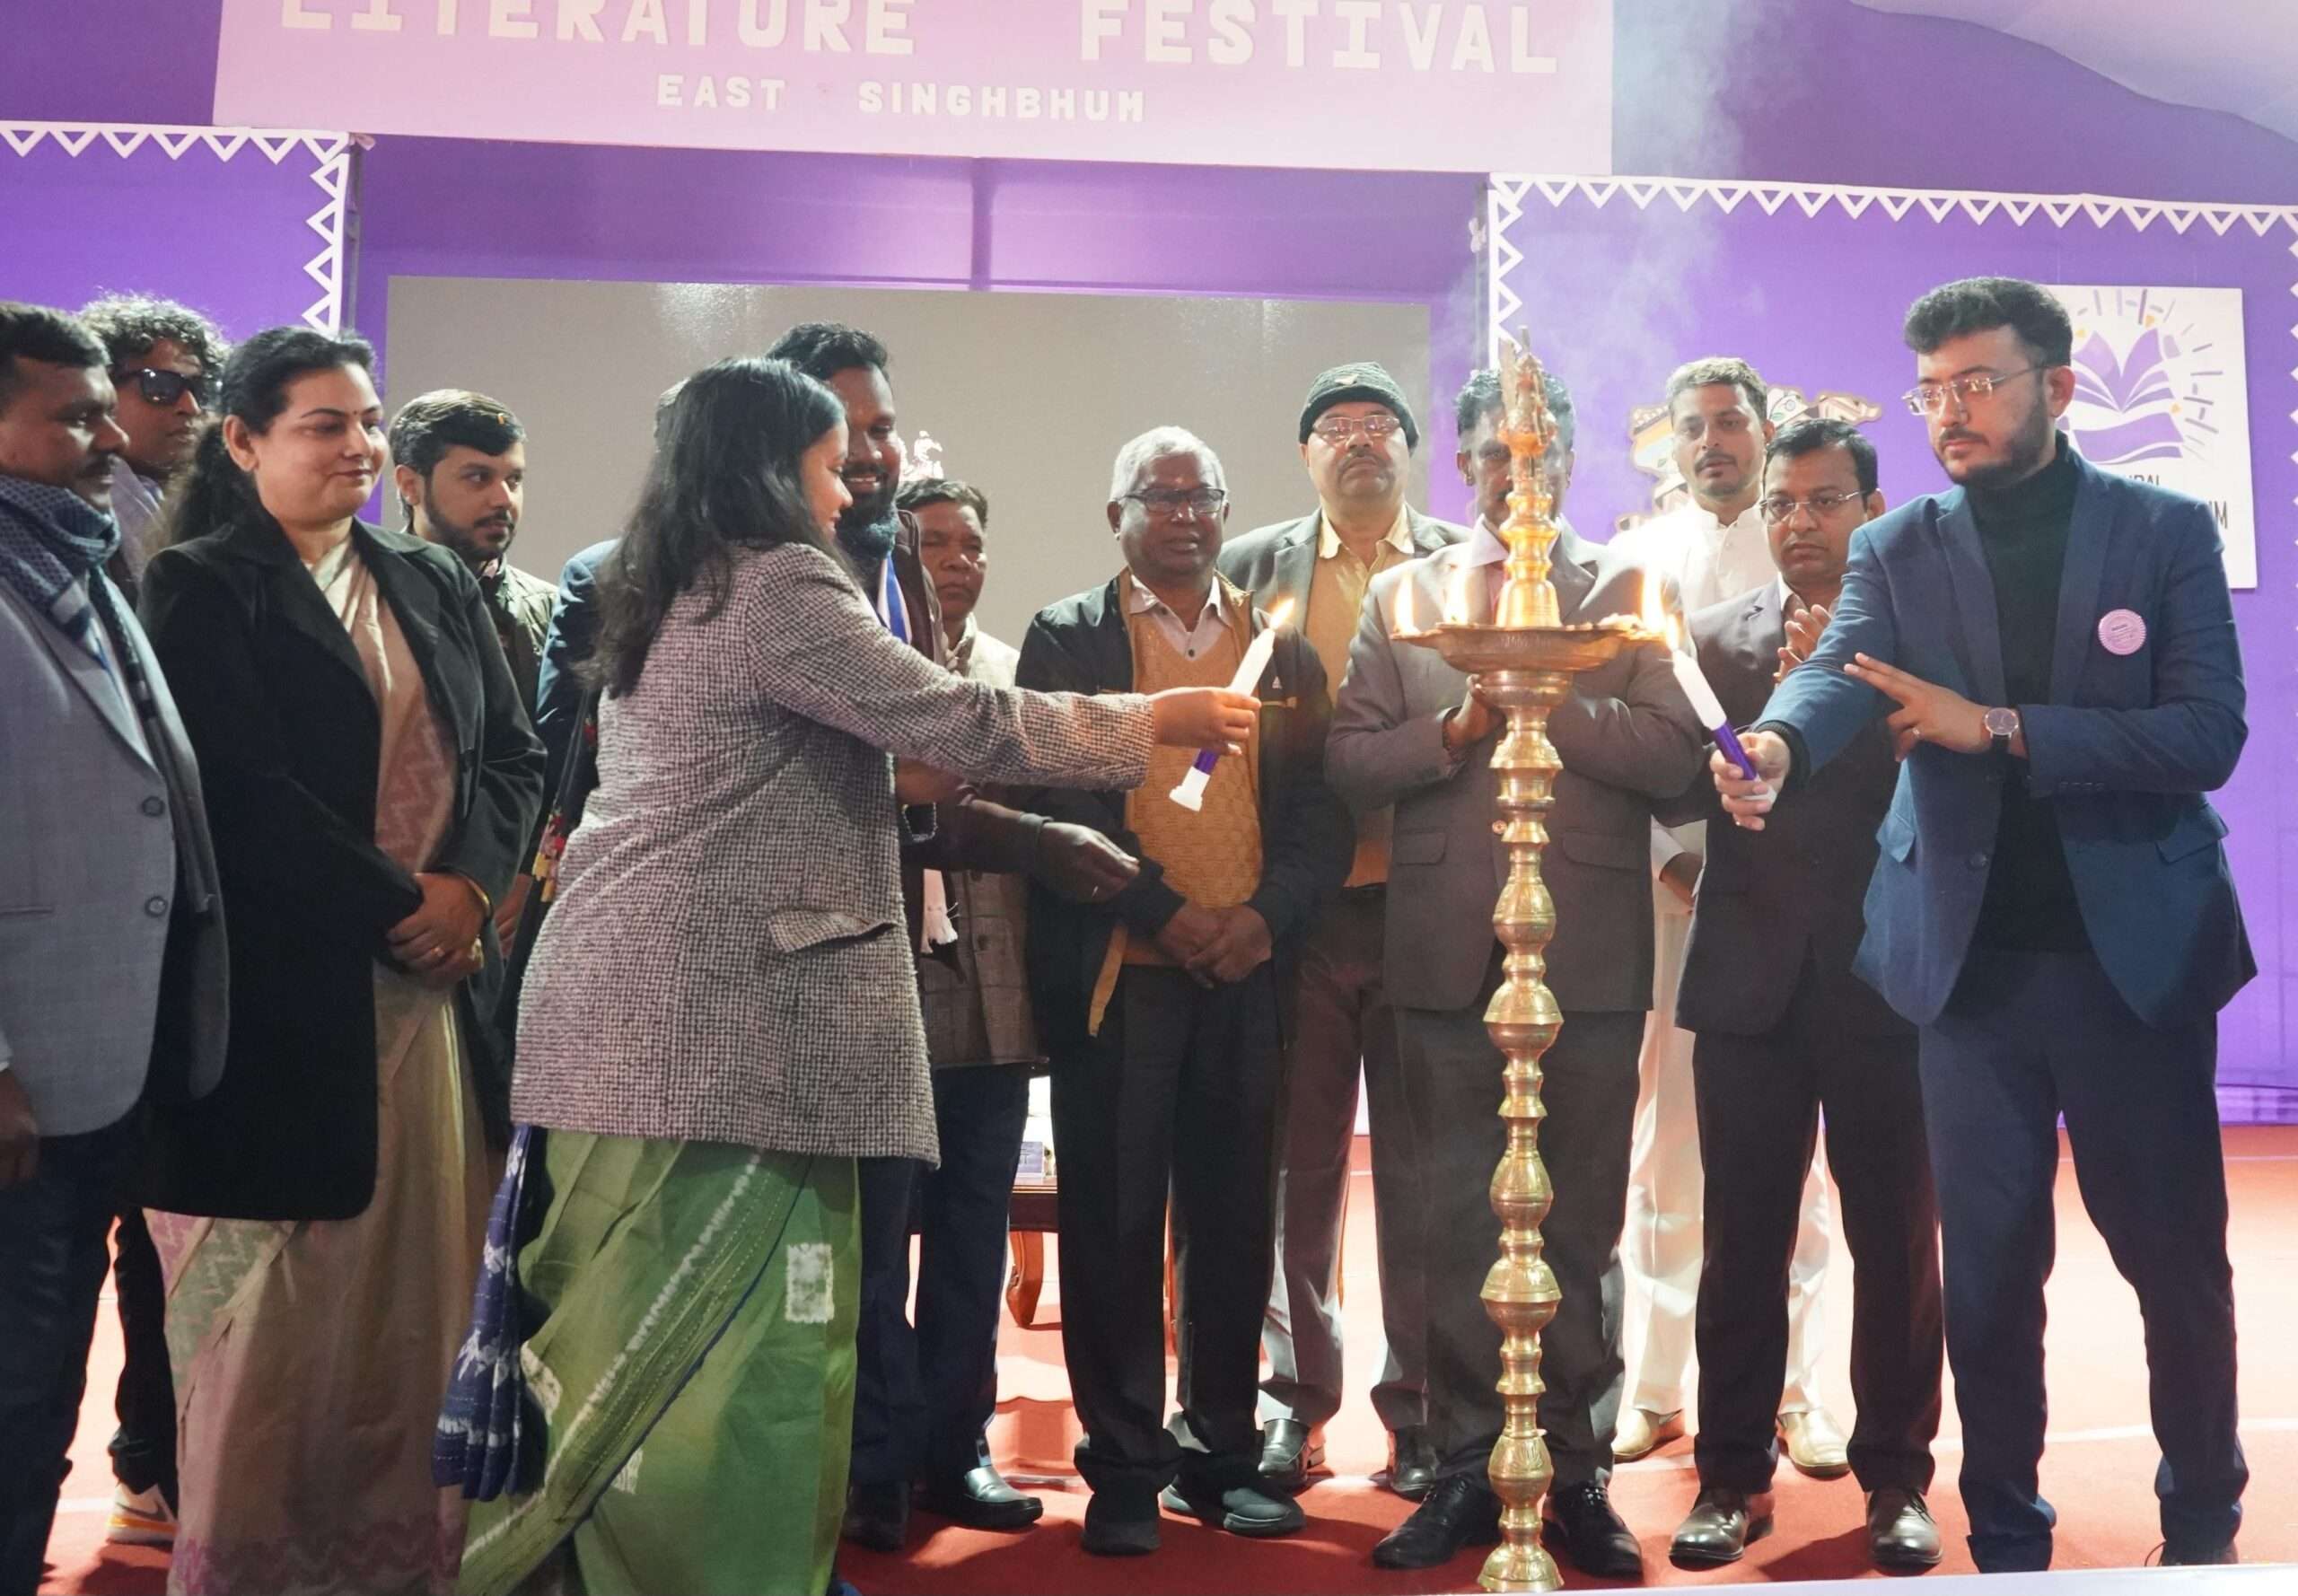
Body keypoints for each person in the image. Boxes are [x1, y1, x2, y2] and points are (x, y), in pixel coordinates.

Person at [454, 359, 1251, 1596]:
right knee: (707, 1349)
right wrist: (1154, 722)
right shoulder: (776, 578)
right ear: (771, 467)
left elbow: (780, 768)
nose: (845, 489)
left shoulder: (680, 575)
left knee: (648, 1327)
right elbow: (965, 720)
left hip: (645, 1011)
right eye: (832, 463)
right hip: (708, 1027)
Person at [1716, 276, 2251, 1572]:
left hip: (2131, 967)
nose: (1949, 411)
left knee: (2173, 1263)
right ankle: (2006, 1532)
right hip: (1965, 975)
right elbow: (1841, 667)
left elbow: (2207, 733)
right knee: (1992, 1275)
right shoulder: (1902, 545)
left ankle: (2201, 1525)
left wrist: (2001, 727)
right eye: (1931, 391)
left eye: (1976, 383)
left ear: (2055, 387)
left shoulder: (2164, 530)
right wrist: (1778, 747)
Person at [136, 325, 545, 1595]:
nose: (358, 446)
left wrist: (468, 885)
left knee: (426, 1299)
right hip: (287, 1004)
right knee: (282, 1321)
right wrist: (400, 905)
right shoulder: (203, 584)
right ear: (243, 439)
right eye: (324, 424)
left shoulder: (428, 577)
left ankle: (426, 1559)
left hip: (440, 1004)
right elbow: (239, 790)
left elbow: (514, 754)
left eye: (368, 422)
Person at [759, 324, 1141, 1552]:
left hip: (988, 988)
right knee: (875, 1239)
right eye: (932, 545)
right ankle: (873, 1458)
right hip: (874, 979)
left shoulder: (998, 662)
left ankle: (956, 1442)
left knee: (974, 1226)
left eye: (969, 544)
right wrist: (1155, 731)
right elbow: (925, 771)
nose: (953, 562)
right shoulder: (819, 619)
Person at [1329, 368, 1705, 1577]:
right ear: (1466, 463)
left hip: (1586, 947)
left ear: (1571, 461)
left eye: (1536, 453)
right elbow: (1349, 760)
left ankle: (1578, 1470)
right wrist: (1455, 729)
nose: (1514, 472)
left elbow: (1677, 756)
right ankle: (1456, 1464)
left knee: (1580, 1215)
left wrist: (1545, 698)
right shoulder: (1409, 592)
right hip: (1444, 947)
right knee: (1446, 1215)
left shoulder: (1629, 590)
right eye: (1495, 453)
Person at [1019, 426, 1354, 1557]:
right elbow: (1057, 794)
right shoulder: (1069, 635)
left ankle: (1216, 1455)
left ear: (1224, 509)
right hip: (1123, 974)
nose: (1183, 514)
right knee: (1111, 1221)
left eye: (1201, 494)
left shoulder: (1279, 645)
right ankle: (1123, 1464)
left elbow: (1317, 812)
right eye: (1157, 497)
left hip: (1245, 975)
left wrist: (1259, 920)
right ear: (1115, 515)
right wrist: (1164, 911)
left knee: (1231, 1223)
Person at [1659, 418, 1944, 1572]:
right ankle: (1729, 1472)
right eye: (1781, 503)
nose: (1799, 523)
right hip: (1747, 979)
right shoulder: (1712, 639)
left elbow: (1955, 788)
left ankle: (1897, 1476)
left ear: (1873, 510)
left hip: (1886, 980)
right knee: (1740, 1238)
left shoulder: (1923, 634)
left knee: (1895, 1238)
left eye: (1825, 501)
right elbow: (1671, 785)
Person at [0, 303, 226, 1596]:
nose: (108, 437)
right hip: (24, 1074)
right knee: (16, 1383)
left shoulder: (78, 555)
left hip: (109, 1057)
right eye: (75, 414)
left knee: (37, 1387)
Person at [1216, 363, 1461, 1502]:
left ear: (1409, 449)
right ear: (1305, 454)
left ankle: (1419, 1408)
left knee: (1422, 1174)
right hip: (1300, 914)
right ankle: (1294, 1403)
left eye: (1378, 425)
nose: (1359, 441)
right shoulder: (1247, 568)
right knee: (1295, 1171)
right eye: (1334, 427)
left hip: (1429, 905)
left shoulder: (1465, 564)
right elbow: (1216, 733)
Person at [1607, 356, 1845, 1474]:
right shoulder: (1638, 560)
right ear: (1670, 445)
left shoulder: (1817, 549)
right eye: (1692, 427)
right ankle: (1654, 1386)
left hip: (1803, 895)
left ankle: (1798, 1393)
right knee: (1668, 1142)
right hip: (1676, 892)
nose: (1712, 443)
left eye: (1729, 423)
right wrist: (1671, 855)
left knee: (1797, 1158)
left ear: (1764, 430)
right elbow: (1633, 734)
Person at [63, 296, 230, 1551]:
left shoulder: (209, 520)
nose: (178, 409)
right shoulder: (75, 537)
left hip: (186, 924)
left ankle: (155, 1452)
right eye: (154, 385)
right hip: (77, 937)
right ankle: (137, 1461)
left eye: (195, 387)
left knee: (158, 1216)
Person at [76, 294, 228, 598]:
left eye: (200, 390)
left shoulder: (222, 506)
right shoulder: (68, 515)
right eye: (161, 386)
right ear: (100, 389)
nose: (190, 407)